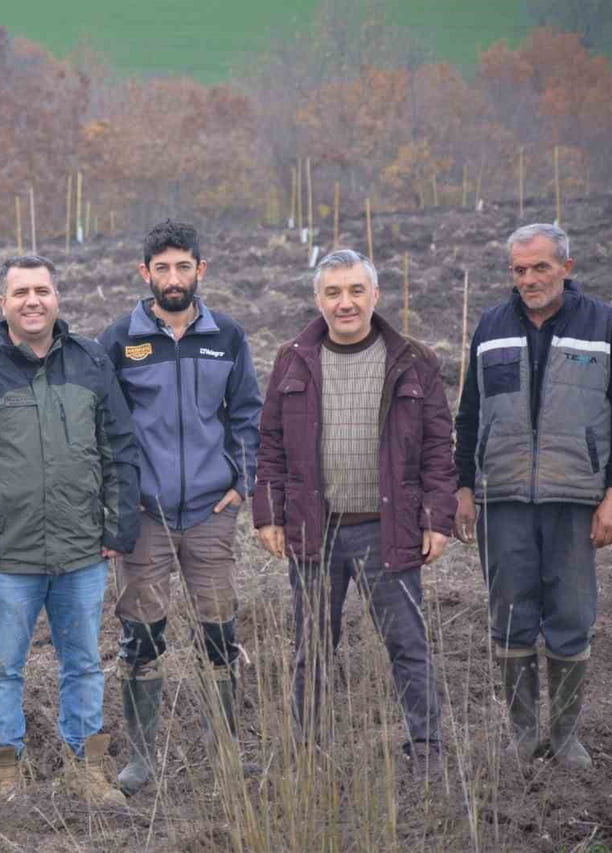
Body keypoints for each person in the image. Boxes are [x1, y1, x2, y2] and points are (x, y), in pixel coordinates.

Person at [0, 255, 140, 806]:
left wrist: (117, 526)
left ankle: (88, 768)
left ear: (57, 298)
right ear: (2, 303)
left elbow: (118, 447)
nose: (33, 300)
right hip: (7, 554)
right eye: (21, 291)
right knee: (3, 666)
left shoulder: (91, 360)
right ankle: (6, 770)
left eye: (43, 290)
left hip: (81, 549)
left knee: (83, 663)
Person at [252, 250, 455, 770]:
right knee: (313, 650)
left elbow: (438, 446)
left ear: (375, 295)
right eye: (334, 293)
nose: (346, 303)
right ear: (318, 299)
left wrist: (437, 517)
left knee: (408, 644)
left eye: (356, 291)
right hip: (315, 528)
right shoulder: (292, 359)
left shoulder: (414, 359)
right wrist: (270, 514)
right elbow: (270, 442)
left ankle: (427, 748)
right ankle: (308, 749)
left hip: (389, 528)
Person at [453, 223, 612, 769]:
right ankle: (522, 734)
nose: (529, 279)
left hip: (574, 497)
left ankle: (564, 736)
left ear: (567, 265)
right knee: (511, 614)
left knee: (570, 614)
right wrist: (463, 485)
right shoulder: (491, 325)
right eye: (519, 269)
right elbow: (471, 414)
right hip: (503, 496)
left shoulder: (602, 324)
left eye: (540, 267)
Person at [98, 220, 264, 794]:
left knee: (220, 629)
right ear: (145, 274)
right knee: (142, 634)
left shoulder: (228, 337)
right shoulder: (120, 340)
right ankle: (142, 757)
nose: (174, 278)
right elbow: (106, 425)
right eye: (162, 268)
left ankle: (227, 748)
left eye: (183, 267)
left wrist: (243, 480)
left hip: (211, 513)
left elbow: (245, 413)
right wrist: (121, 496)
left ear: (201, 269)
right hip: (145, 517)